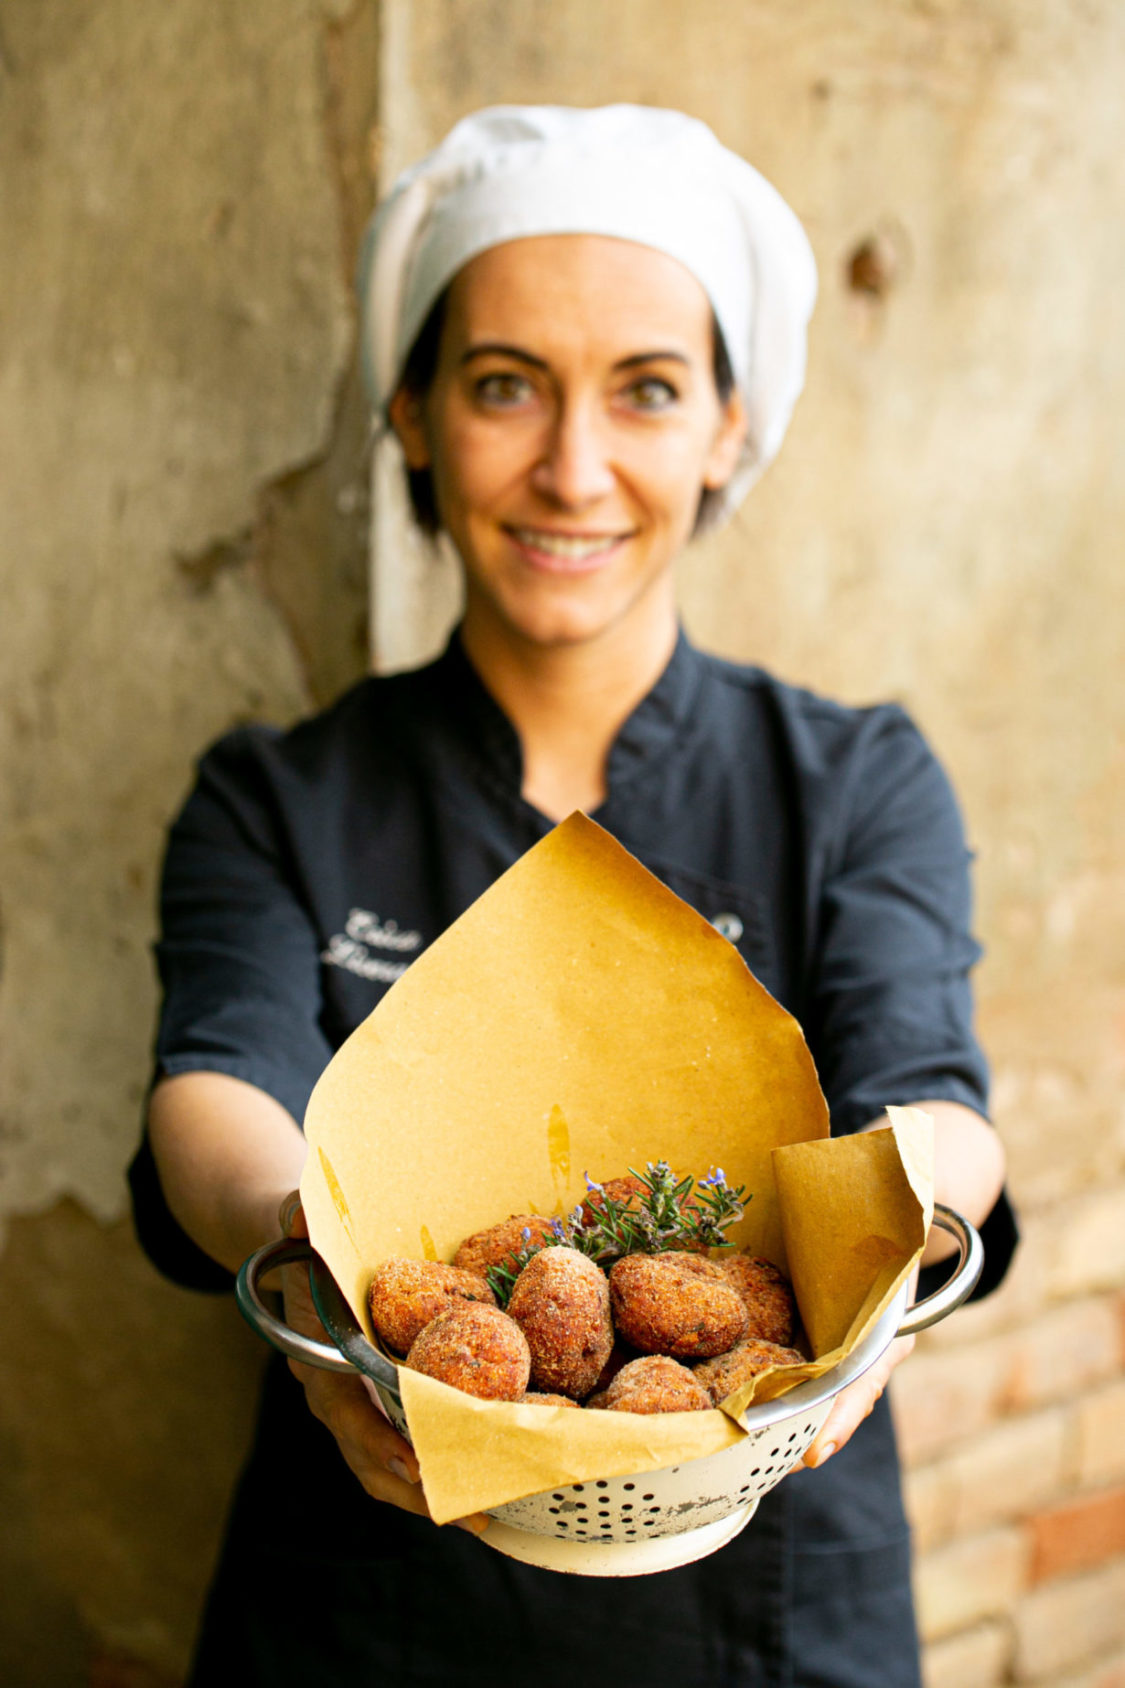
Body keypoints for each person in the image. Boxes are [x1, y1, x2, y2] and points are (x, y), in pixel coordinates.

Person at [130, 105, 1016, 1688]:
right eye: (501, 386)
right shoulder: (277, 794)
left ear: (727, 429)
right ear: (408, 411)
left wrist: (891, 1228)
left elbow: (931, 1092)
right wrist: (321, 1259)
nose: (574, 467)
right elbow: (214, 1086)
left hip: (773, 1610)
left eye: (648, 391)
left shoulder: (854, 779)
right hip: (367, 1592)